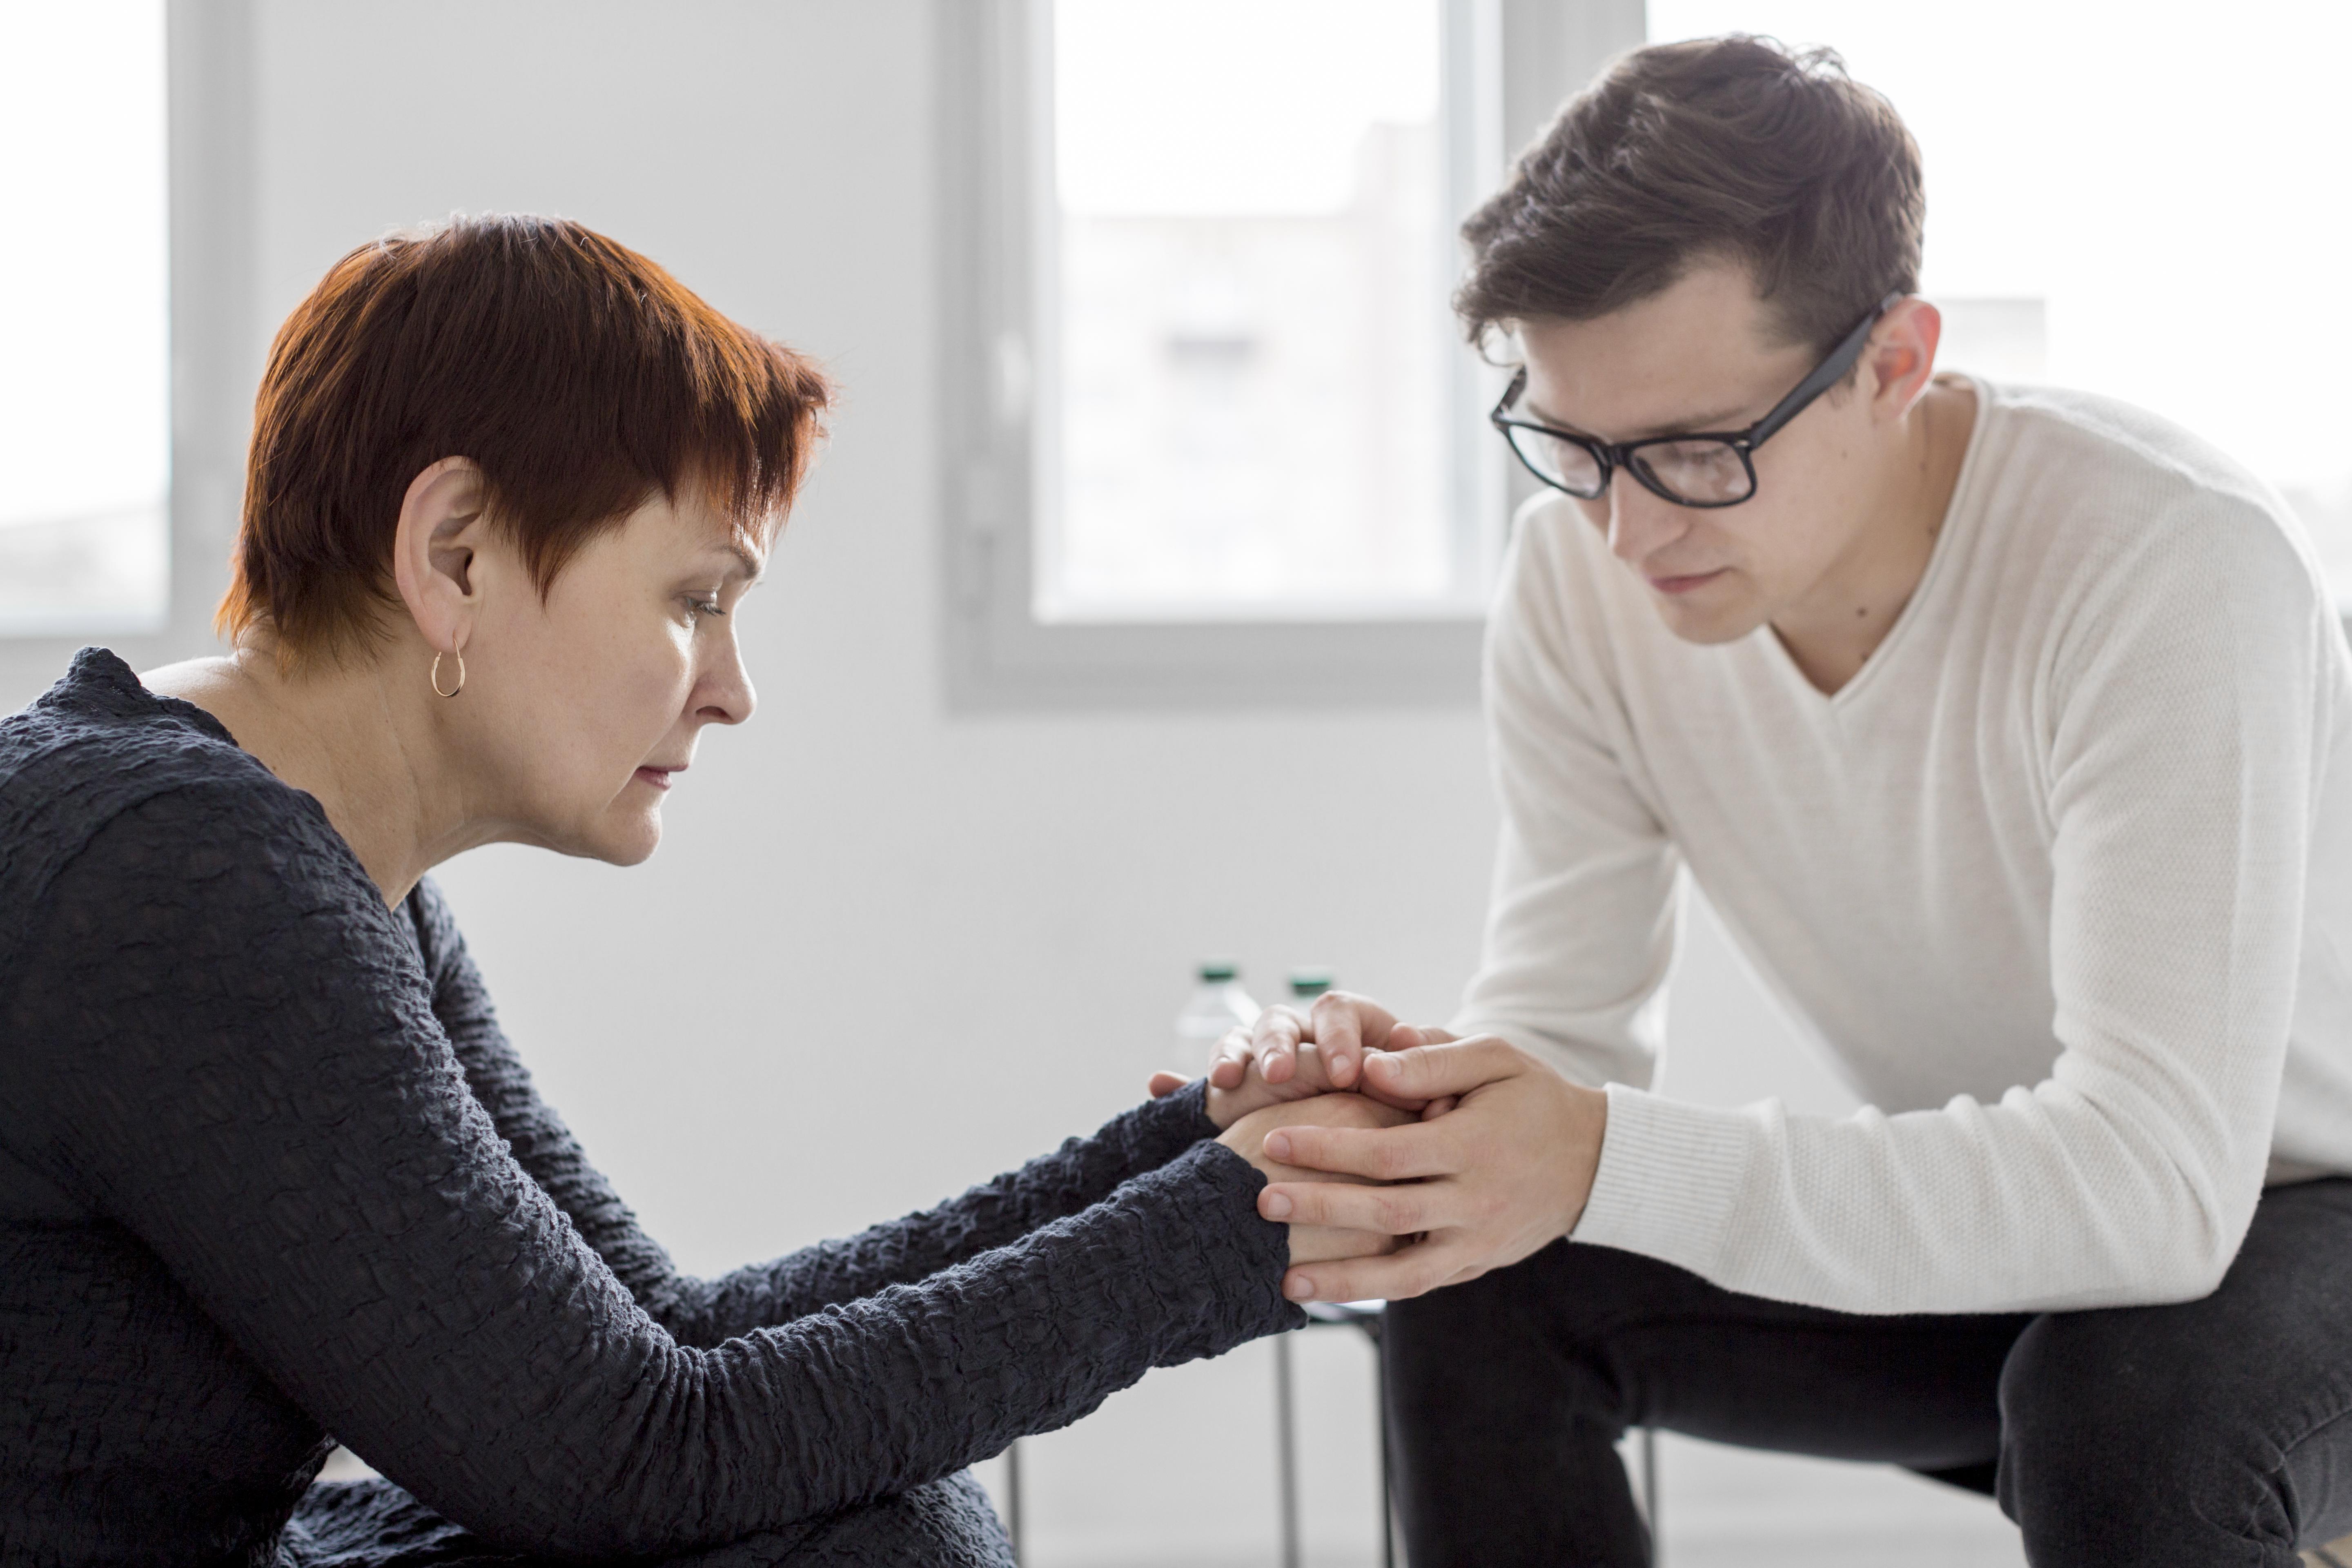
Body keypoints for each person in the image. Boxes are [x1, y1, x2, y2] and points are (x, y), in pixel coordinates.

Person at [0, 214, 1402, 1567]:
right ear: (456, 554)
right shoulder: (180, 875)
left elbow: (658, 1336)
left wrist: (1203, 1151)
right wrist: (1239, 1232)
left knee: (883, 1530)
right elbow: (629, 1449)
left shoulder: (315, 861)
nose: (732, 692)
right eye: (694, 601)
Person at [1188, 34, 2352, 1568]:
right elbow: (1563, 1035)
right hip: (2042, 1221)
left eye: (1690, 451)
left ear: (1895, 360)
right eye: (1579, 451)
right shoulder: (1581, 589)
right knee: (1475, 1264)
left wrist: (1594, 1152)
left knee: (2125, 1402)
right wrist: (1416, 1124)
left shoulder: (2165, 564)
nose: (1622, 533)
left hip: (2293, 1204)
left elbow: (2154, 1186)